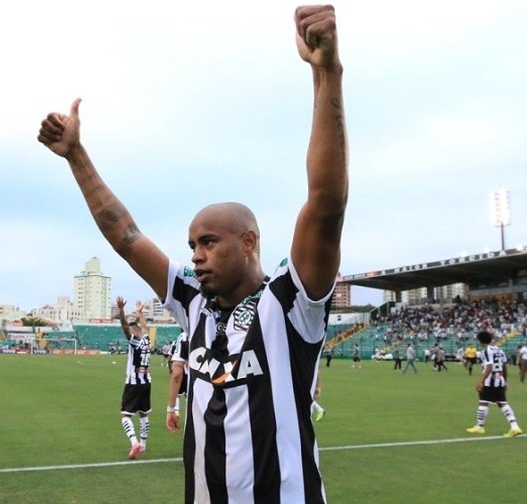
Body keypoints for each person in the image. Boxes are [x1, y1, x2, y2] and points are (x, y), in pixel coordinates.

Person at [38, 5, 347, 501]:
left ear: (248, 243)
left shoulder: (289, 305)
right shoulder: (193, 303)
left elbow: (325, 205)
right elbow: (127, 236)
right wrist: (77, 156)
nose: (196, 256)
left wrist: (326, 73)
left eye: (209, 242)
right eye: (191, 245)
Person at [466, 331, 522, 437]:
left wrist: (481, 381)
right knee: (502, 402)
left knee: (483, 402)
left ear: (480, 341)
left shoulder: (487, 351)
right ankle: (515, 427)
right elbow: (505, 366)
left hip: (490, 380)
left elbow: (489, 367)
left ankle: (479, 427)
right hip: (499, 379)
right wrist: (504, 381)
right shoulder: (499, 350)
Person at [116, 297, 152, 459]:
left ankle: (134, 442)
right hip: (146, 382)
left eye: (132, 330)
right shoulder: (147, 340)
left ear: (134, 332)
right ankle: (143, 444)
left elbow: (124, 326)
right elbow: (144, 327)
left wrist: (121, 311)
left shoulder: (134, 342)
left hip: (133, 383)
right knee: (143, 413)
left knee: (125, 415)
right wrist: (140, 313)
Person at [166, 331, 188, 432]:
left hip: (188, 373)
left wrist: (170, 410)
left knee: (179, 394)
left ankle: (178, 413)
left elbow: (176, 374)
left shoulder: (184, 336)